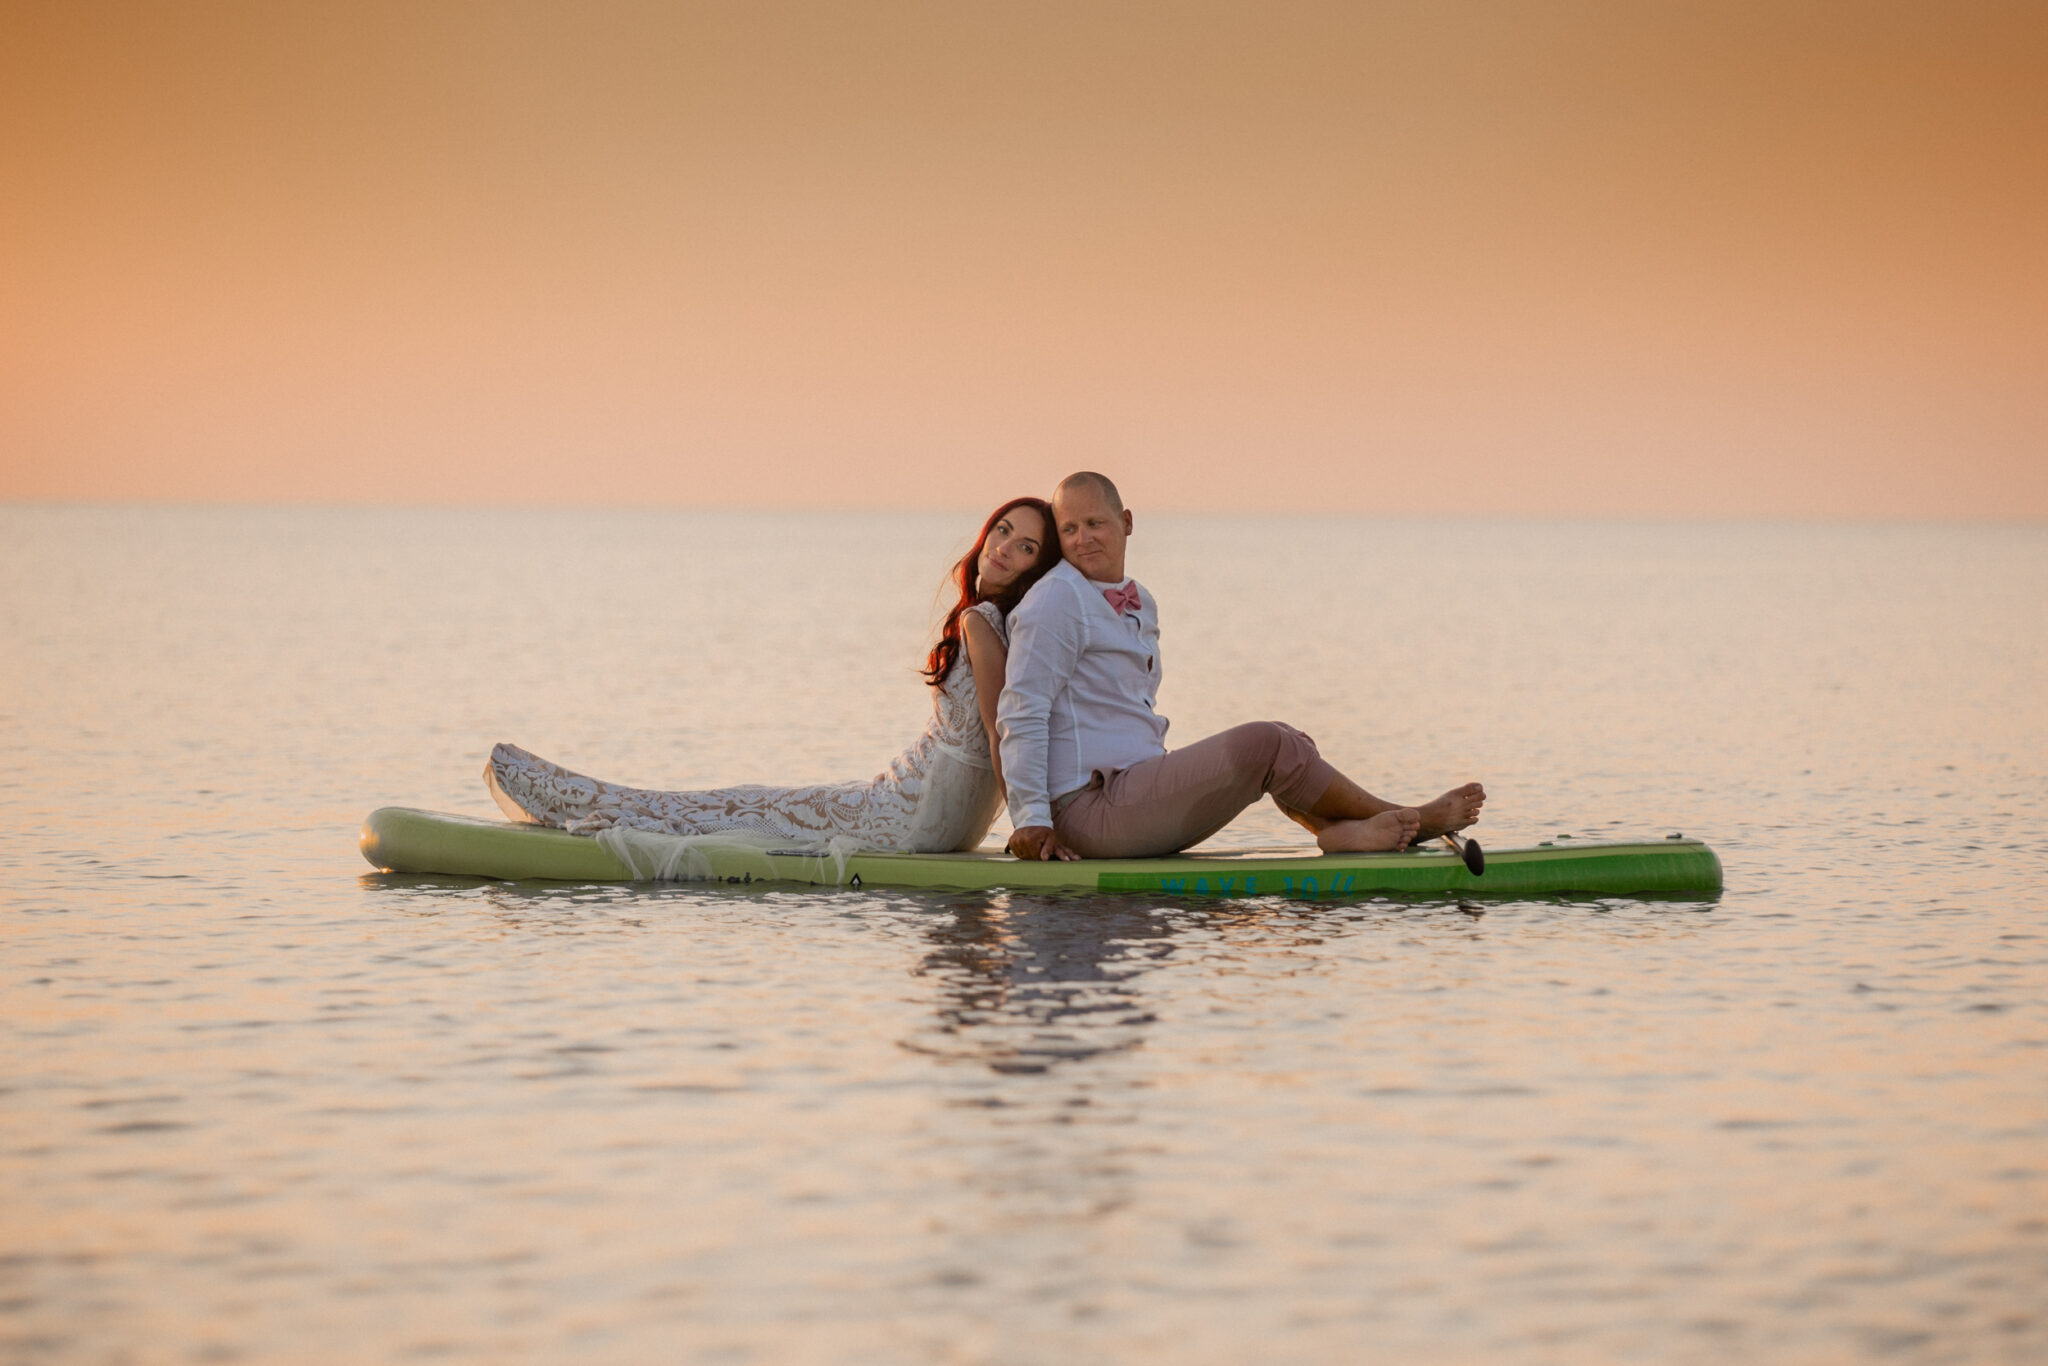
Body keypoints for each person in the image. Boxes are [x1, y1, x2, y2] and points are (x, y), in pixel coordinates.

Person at [487, 497, 1061, 853]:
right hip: (943, 814)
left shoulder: (982, 623)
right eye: (1004, 529)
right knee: (756, 805)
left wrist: (1026, 828)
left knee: (742, 808)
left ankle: (574, 804)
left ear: (1038, 568)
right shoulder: (1008, 626)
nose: (1005, 547)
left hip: (915, 815)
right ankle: (587, 801)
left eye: (1027, 545)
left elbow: (1002, 729)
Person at [998, 472, 1485, 861]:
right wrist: (1031, 819)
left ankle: (1337, 831)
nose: (1082, 539)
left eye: (1094, 524)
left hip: (1133, 788)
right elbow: (1023, 710)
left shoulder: (1140, 601)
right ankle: (1414, 818)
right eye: (1068, 529)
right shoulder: (1057, 600)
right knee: (1265, 743)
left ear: (1125, 521)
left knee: (1288, 737)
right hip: (1085, 810)